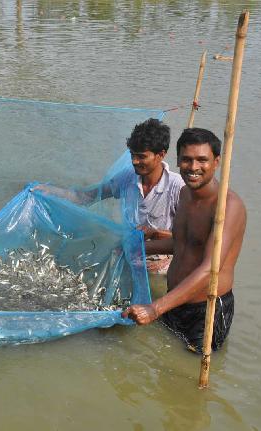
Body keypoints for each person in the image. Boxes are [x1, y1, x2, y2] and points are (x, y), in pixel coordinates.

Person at [123, 128, 247, 353]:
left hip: (206, 310)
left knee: (188, 375)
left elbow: (210, 269)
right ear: (178, 160)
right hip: (175, 299)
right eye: (187, 160)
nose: (193, 167)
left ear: (216, 162)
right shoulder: (184, 194)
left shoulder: (227, 207)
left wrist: (155, 308)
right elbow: (180, 244)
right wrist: (134, 248)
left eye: (202, 160)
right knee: (163, 370)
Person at [34, 118, 184, 273]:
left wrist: (163, 248)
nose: (134, 161)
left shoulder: (177, 186)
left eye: (141, 156)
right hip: (130, 253)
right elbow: (86, 197)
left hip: (163, 261)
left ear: (161, 155)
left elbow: (191, 238)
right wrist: (50, 192)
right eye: (132, 155)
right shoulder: (127, 178)